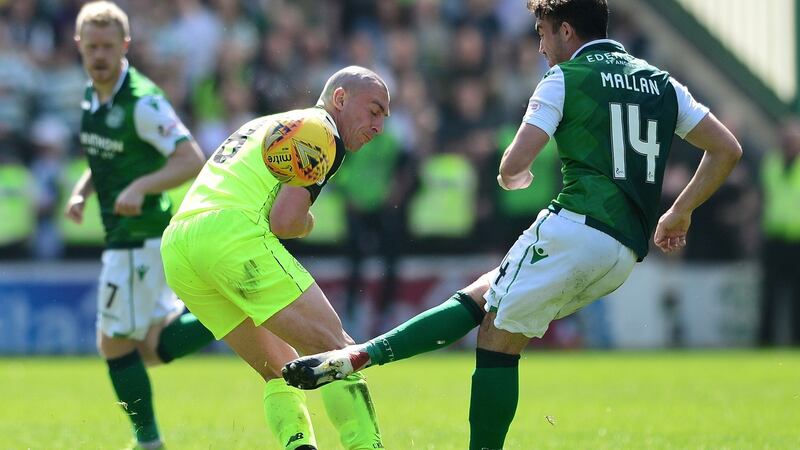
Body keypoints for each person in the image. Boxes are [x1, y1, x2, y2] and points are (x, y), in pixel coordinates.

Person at [282, 1, 743, 449]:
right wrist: (679, 210)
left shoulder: (564, 78)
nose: (540, 47)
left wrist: (511, 174)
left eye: (543, 34)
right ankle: (352, 357)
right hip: (623, 254)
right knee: (487, 297)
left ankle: (359, 359)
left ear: (565, 31)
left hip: (575, 228)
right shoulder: (662, 84)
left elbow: (514, 163)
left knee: (495, 337)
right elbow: (727, 149)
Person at [160, 66, 390, 450]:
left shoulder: (272, 120)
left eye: (384, 117)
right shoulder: (321, 131)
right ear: (340, 99)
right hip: (229, 235)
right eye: (374, 110)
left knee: (277, 370)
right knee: (339, 350)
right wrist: (308, 223)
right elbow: (285, 222)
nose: (378, 125)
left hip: (180, 245)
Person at [65, 2, 214, 449]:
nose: (99, 55)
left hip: (139, 238)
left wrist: (141, 188)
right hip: (125, 238)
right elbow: (108, 155)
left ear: (125, 45)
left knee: (115, 346)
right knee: (147, 347)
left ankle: (148, 441)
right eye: (91, 47)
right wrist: (83, 190)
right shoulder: (93, 95)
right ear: (79, 46)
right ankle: (228, 310)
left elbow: (191, 158)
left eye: (108, 46)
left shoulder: (142, 101)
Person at [759, 117, 800, 346]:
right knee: (769, 293)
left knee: (797, 296)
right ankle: (764, 342)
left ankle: (796, 341)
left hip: (797, 237)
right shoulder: (772, 163)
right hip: (774, 236)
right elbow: (765, 197)